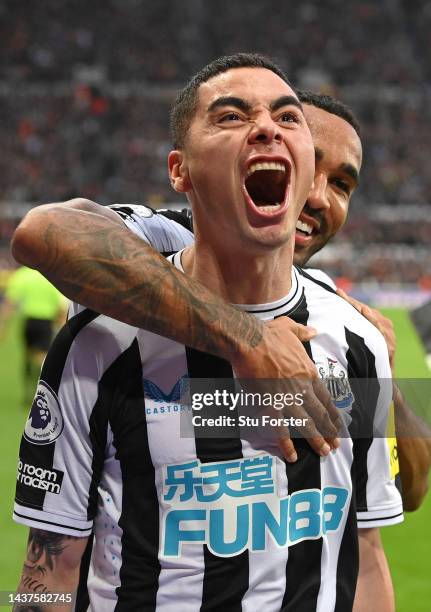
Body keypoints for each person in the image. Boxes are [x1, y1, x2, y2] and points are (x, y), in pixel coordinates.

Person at [12, 53, 401, 611]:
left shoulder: (355, 340)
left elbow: (367, 554)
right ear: (180, 170)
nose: (267, 126)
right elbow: (46, 578)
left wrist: (390, 385)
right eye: (231, 116)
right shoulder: (99, 346)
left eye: (288, 118)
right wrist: (249, 338)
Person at [0, 266, 67, 404]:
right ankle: (47, 386)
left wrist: (3, 323)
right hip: (46, 322)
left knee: (29, 354)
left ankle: (30, 388)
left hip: (29, 322)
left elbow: (10, 302)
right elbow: (61, 305)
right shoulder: (51, 275)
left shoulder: (22, 275)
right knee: (42, 356)